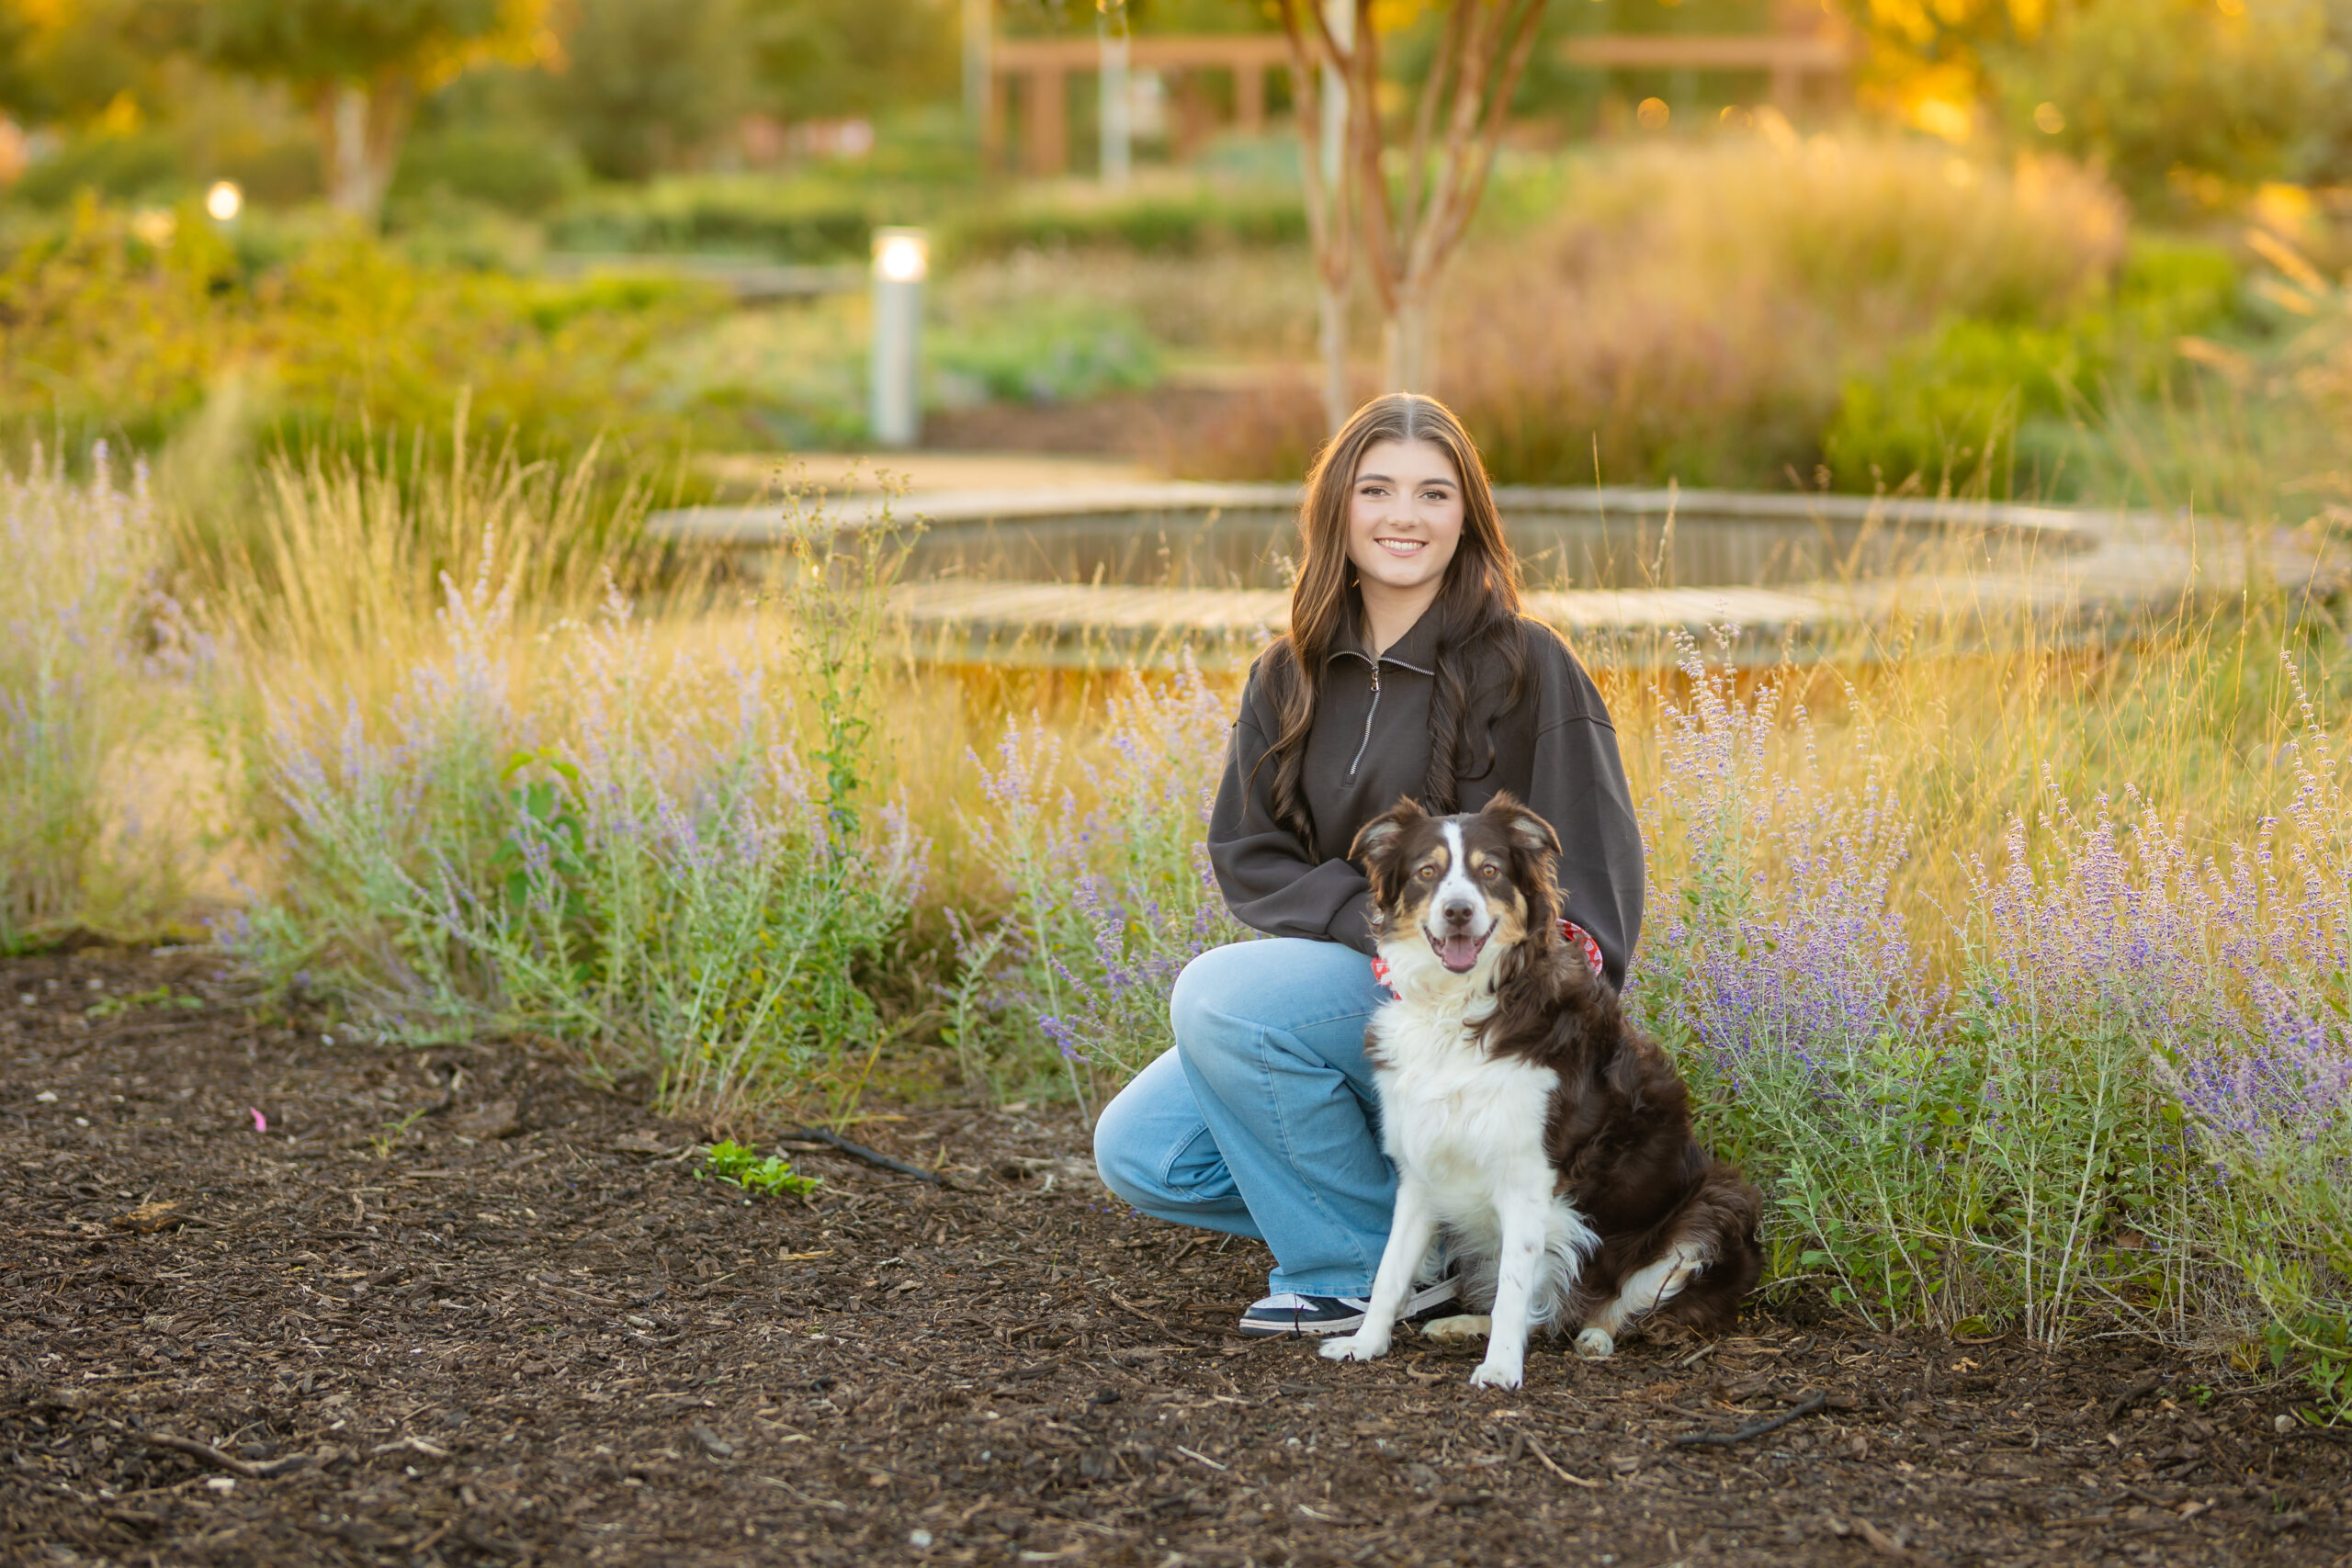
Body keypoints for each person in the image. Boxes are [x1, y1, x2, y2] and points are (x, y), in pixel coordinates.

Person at [1092, 391, 1647, 1336]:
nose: (1404, 516)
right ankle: (1412, 1243)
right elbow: (1247, 849)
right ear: (1336, 510)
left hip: (1486, 1004)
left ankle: (1347, 1270)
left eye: (1433, 494)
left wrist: (1543, 999)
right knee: (1144, 1154)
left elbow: (1594, 864)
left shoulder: (1526, 664)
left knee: (1219, 997)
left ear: (1465, 514)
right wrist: (1381, 928)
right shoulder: (1289, 673)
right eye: (1376, 489)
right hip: (1363, 977)